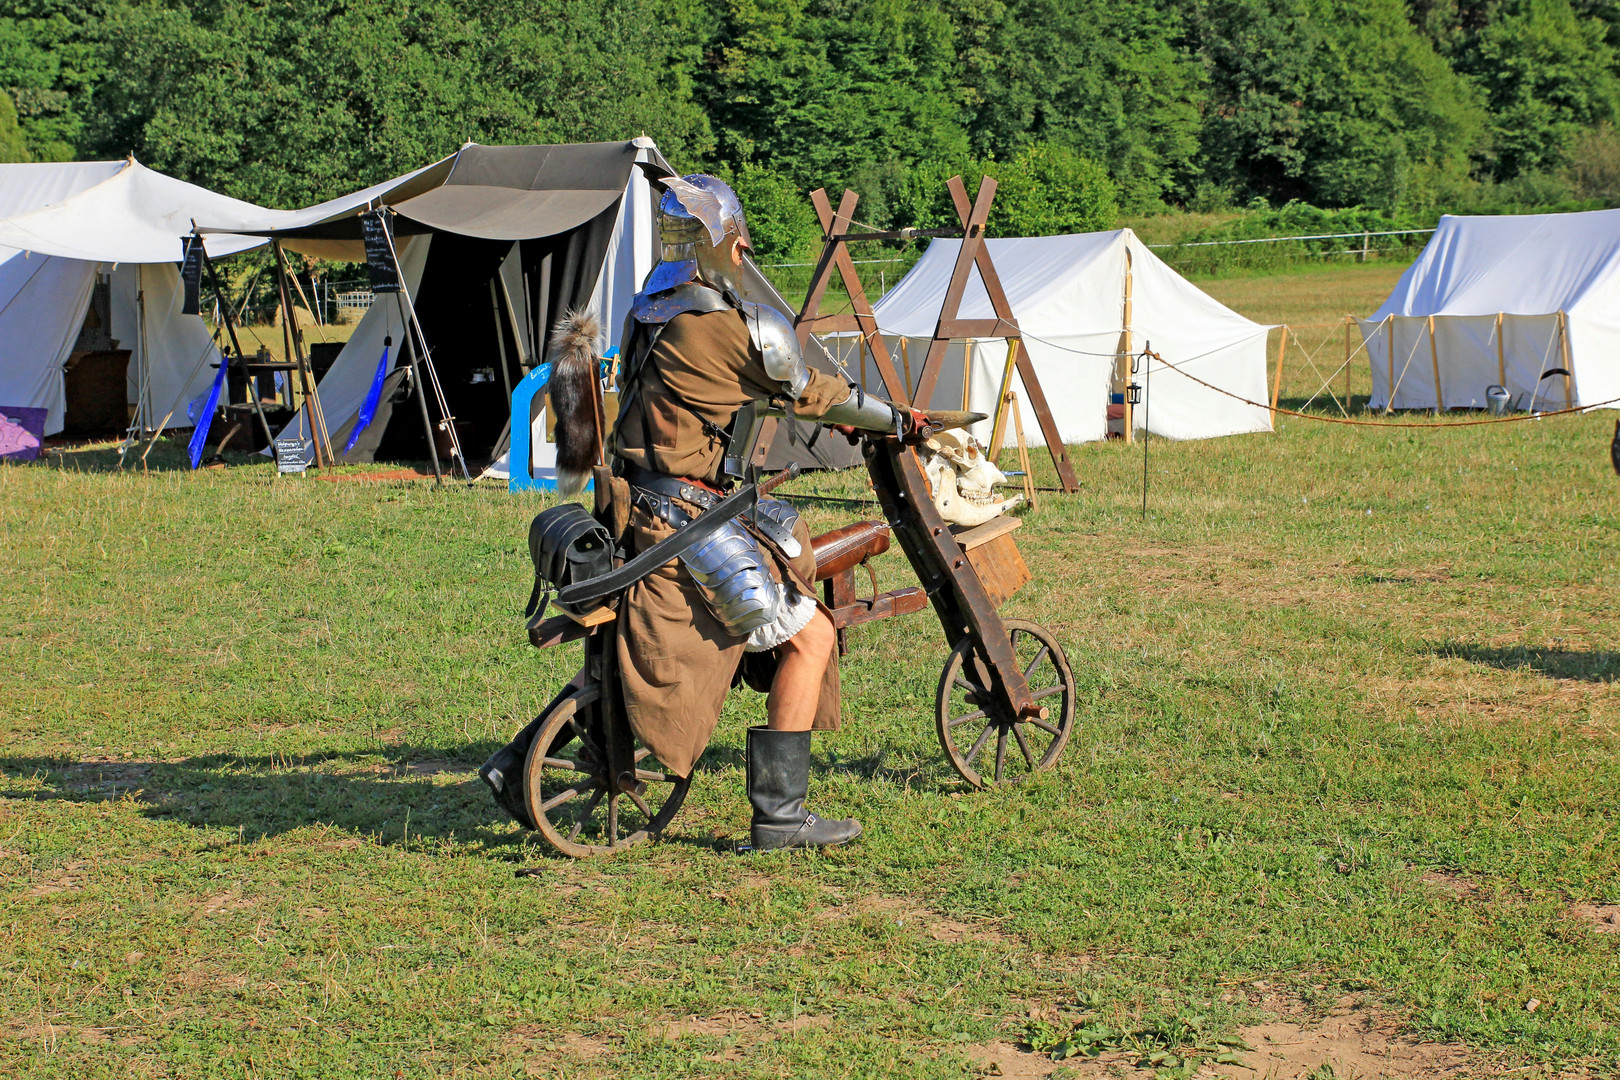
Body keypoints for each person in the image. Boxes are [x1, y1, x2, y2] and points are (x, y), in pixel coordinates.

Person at [481, 173, 922, 851]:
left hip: (637, 502)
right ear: (727, 246)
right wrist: (895, 418)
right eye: (738, 245)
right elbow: (811, 392)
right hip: (684, 519)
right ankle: (780, 817)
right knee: (814, 637)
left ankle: (516, 760)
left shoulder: (649, 309)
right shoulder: (726, 326)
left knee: (629, 639)